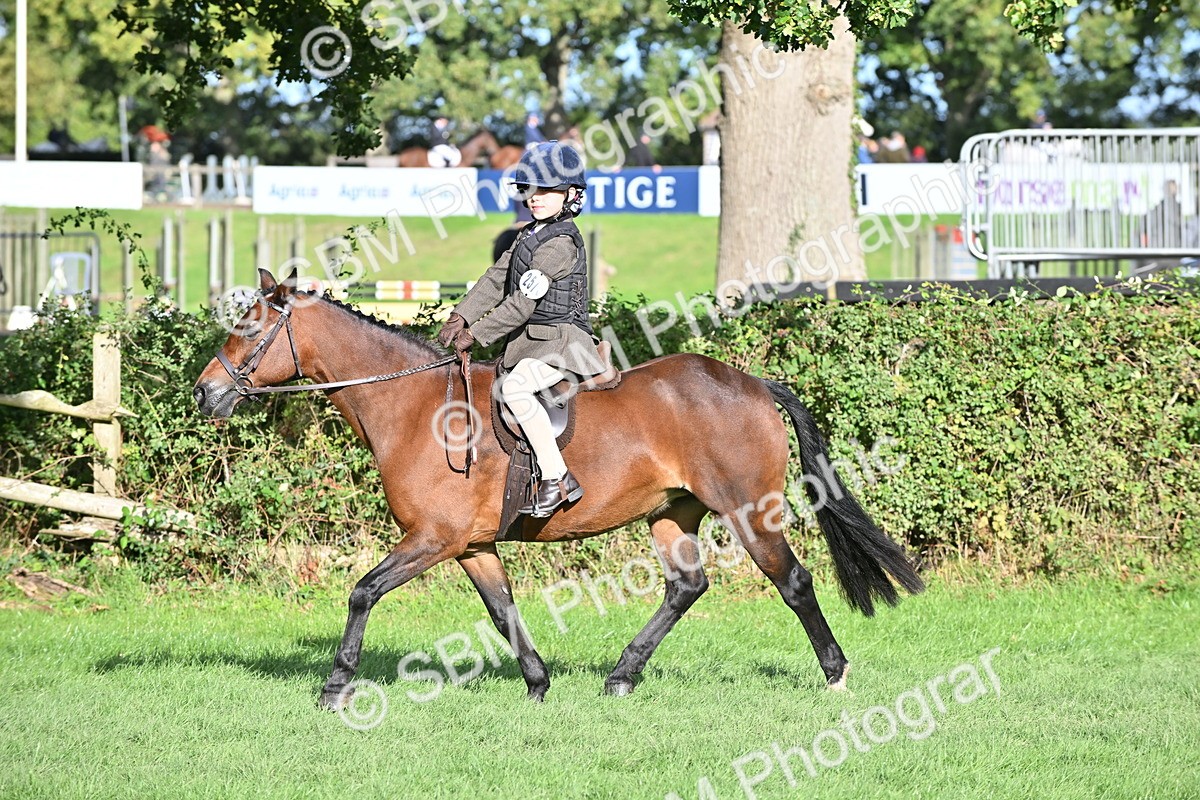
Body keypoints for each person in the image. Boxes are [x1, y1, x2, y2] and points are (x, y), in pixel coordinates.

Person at [438, 142, 603, 517]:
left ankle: (558, 478)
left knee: (513, 388)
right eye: (530, 189)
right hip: (532, 344)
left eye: (546, 190)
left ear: (571, 195)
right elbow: (496, 278)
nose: (534, 197)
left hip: (564, 344)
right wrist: (460, 316)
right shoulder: (529, 235)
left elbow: (521, 304)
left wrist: (476, 334)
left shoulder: (560, 244)